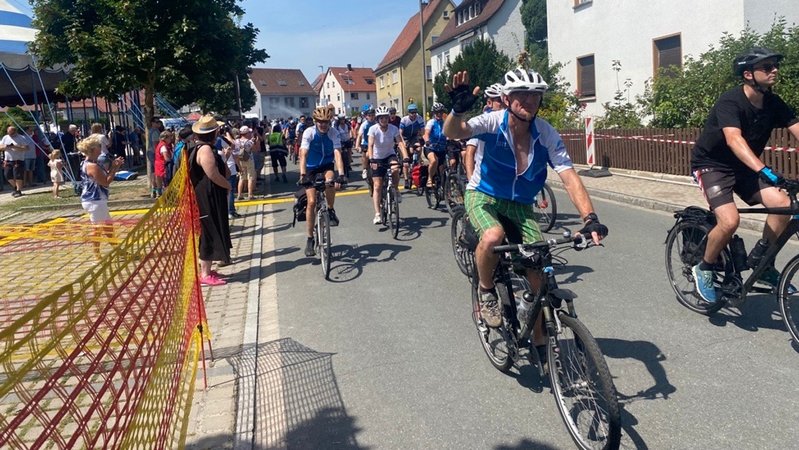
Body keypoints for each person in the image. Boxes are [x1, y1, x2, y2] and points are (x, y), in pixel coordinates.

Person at [443, 68, 608, 351]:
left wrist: (589, 218)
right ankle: (486, 291)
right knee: (493, 236)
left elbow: (569, 176)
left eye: (535, 95)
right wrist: (457, 112)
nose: (530, 100)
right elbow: (456, 132)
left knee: (538, 270)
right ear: (507, 99)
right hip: (483, 195)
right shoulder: (492, 122)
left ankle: (540, 342)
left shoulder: (545, 133)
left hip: (520, 204)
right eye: (521, 94)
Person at [690, 48, 799, 303]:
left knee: (783, 204)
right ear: (748, 74)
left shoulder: (773, 103)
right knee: (730, 221)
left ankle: (764, 264)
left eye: (775, 65)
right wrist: (763, 169)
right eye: (767, 67)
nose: (774, 70)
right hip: (712, 165)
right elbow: (734, 139)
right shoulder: (731, 101)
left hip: (743, 167)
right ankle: (704, 267)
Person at [188, 115, 233, 286]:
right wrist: (227, 185)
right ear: (213, 133)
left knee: (212, 229)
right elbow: (213, 174)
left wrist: (225, 159)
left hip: (210, 195)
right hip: (208, 196)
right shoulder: (205, 149)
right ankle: (205, 274)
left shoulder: (204, 148)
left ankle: (207, 270)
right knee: (209, 230)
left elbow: (222, 171)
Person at [299, 105, 346, 257]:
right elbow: (303, 154)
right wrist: (303, 175)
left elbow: (337, 153)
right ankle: (310, 239)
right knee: (312, 202)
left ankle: (330, 210)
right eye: (320, 121)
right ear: (315, 121)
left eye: (326, 122)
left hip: (326, 165)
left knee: (330, 181)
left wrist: (341, 174)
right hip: (310, 168)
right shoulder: (309, 132)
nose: (323, 124)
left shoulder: (334, 133)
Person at [77, 135, 125, 259]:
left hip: (97, 200)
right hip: (94, 200)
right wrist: (115, 168)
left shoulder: (93, 163)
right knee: (97, 228)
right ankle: (97, 255)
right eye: (99, 146)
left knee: (108, 227)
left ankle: (118, 250)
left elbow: (104, 177)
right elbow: (105, 182)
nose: (101, 148)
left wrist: (114, 166)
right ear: (93, 150)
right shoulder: (92, 166)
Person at [367, 106, 410, 224]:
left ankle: (395, 189)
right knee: (377, 185)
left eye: (386, 117)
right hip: (377, 157)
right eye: (381, 118)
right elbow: (370, 145)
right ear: (378, 119)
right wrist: (371, 160)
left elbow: (400, 143)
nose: (384, 120)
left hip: (389, 155)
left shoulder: (393, 129)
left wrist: (406, 157)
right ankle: (377, 214)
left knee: (395, 169)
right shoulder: (373, 129)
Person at [465, 83, 506, 180]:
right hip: (485, 179)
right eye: (499, 100)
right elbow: (470, 152)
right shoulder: (484, 123)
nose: (503, 103)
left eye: (505, 99)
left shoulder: (511, 122)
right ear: (489, 103)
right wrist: (471, 179)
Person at [423, 102, 449, 188]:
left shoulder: (445, 123)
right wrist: (427, 140)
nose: (439, 114)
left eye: (441, 112)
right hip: (430, 147)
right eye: (437, 112)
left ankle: (444, 188)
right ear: (434, 113)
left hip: (441, 148)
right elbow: (426, 133)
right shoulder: (431, 122)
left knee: (443, 169)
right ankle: (429, 179)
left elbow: (450, 133)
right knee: (434, 161)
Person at [1, 126, 28, 197]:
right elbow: (0, 147)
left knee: (17, 175)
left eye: (11, 133)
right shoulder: (5, 137)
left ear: (15, 132)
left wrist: (15, 147)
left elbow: (26, 148)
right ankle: (16, 188)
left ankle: (19, 190)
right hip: (8, 160)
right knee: (7, 175)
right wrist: (5, 147)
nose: (10, 135)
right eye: (9, 133)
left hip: (18, 159)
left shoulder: (21, 137)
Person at [236, 126, 257, 200]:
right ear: (246, 133)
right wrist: (253, 141)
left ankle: (239, 194)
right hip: (249, 160)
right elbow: (254, 149)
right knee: (250, 177)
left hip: (240, 160)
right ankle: (250, 194)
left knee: (241, 178)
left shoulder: (237, 141)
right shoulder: (249, 142)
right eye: (249, 132)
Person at [153, 130, 174, 197]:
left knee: (159, 179)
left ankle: (159, 193)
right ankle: (166, 195)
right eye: (170, 137)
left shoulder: (160, 144)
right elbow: (166, 157)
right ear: (165, 138)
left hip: (158, 164)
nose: (171, 139)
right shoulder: (163, 146)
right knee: (165, 181)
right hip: (162, 165)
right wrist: (171, 161)